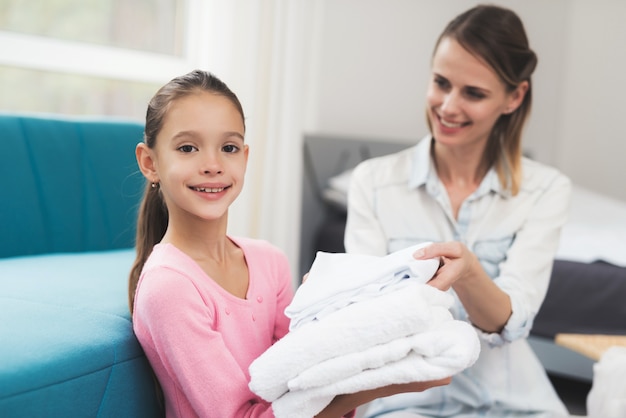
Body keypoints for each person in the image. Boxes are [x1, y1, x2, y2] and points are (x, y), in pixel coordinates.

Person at [128, 69, 450, 418]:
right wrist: (388, 383)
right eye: (188, 148)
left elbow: (301, 381)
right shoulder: (170, 288)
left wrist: (323, 315)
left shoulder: (269, 262)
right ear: (150, 163)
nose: (213, 165)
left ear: (245, 158)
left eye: (229, 148)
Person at [345, 5, 571, 418]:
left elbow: (512, 322)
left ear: (514, 97)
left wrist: (468, 273)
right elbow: (365, 316)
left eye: (473, 93)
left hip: (515, 404)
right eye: (441, 83)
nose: (448, 106)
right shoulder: (373, 183)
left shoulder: (546, 191)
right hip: (406, 405)